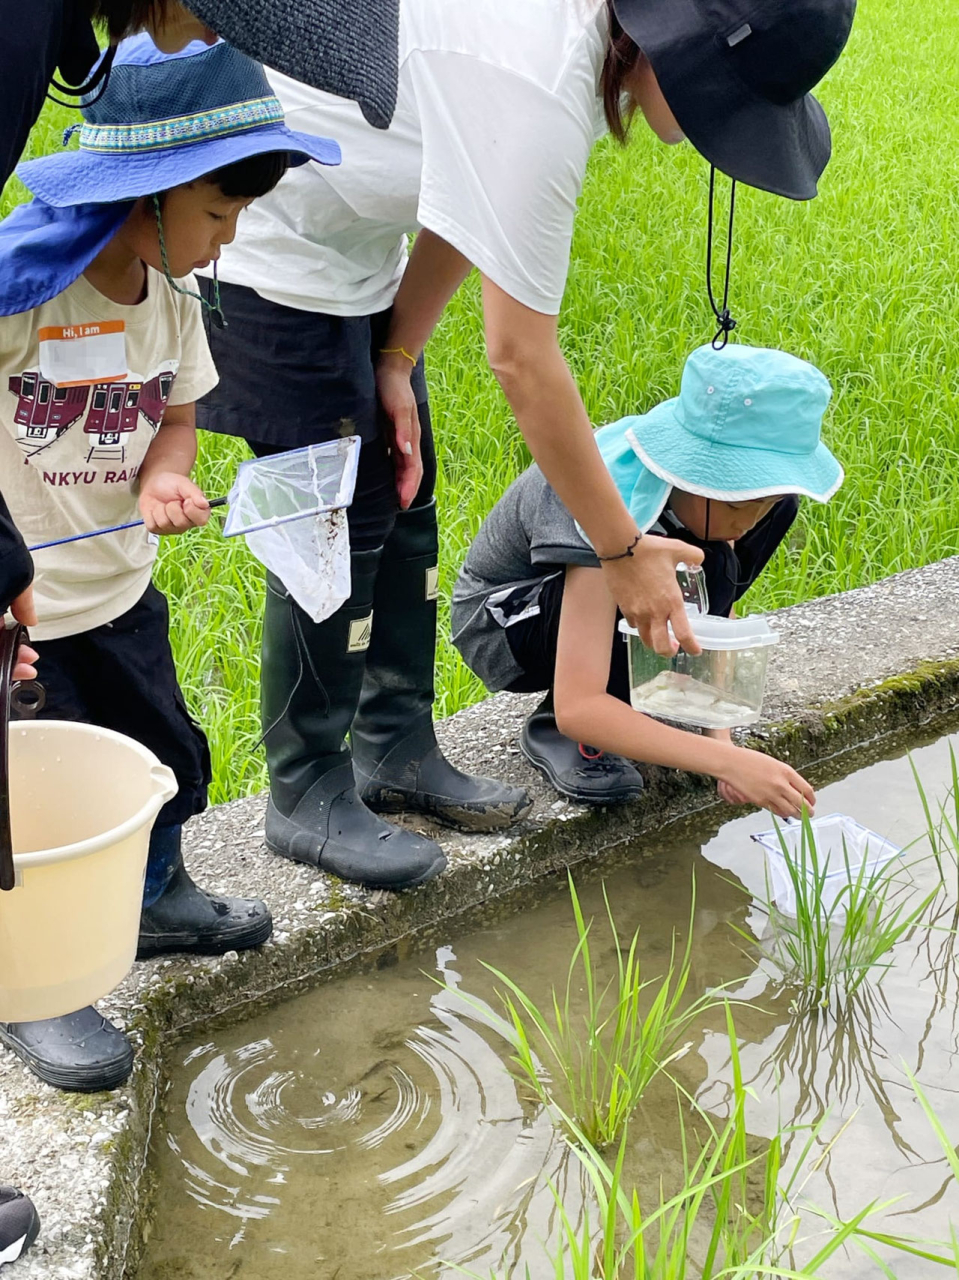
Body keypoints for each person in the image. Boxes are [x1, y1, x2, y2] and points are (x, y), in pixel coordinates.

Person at [196, 0, 856, 888]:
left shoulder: (564, 60)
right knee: (331, 530)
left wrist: (397, 353)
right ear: (674, 50)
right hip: (267, 244)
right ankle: (305, 789)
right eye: (725, 99)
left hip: (360, 251)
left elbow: (468, 203)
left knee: (403, 500)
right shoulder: (540, 77)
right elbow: (519, 357)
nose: (714, 131)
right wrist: (618, 549)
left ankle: (394, 746)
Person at [0, 37, 339, 1093]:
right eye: (218, 213)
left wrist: (162, 478)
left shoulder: (174, 302)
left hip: (120, 590)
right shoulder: (23, 294)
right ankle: (33, 979)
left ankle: (153, 899)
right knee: (29, 806)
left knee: (160, 751)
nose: (227, 238)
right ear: (148, 193)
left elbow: (178, 419)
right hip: (21, 613)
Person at [451, 344, 843, 818]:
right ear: (691, 472)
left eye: (766, 500)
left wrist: (720, 732)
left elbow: (718, 604)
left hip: (604, 585)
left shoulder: (743, 510)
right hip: (507, 621)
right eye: (738, 503)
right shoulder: (613, 509)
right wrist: (728, 763)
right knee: (651, 576)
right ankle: (558, 729)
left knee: (721, 555)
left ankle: (625, 694)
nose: (749, 520)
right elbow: (580, 705)